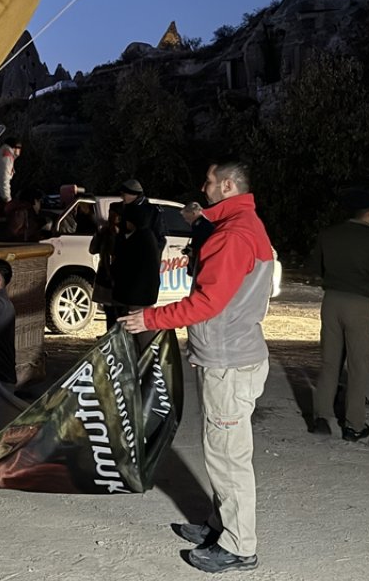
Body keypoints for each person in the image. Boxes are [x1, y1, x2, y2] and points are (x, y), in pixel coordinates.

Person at [120, 161, 274, 574]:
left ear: (226, 185)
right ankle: (221, 525)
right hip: (230, 355)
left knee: (228, 457)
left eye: (208, 182)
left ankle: (240, 545)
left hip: (229, 361)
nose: (202, 187)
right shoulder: (241, 223)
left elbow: (208, 303)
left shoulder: (234, 234)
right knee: (223, 452)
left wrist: (148, 319)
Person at [306, 188, 369, 440]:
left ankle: (321, 417)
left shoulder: (329, 235)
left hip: (331, 301)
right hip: (360, 304)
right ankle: (354, 425)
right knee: (358, 366)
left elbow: (314, 267)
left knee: (330, 362)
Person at [111, 202, 162, 352]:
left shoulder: (139, 239)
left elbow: (124, 264)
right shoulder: (146, 237)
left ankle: (146, 362)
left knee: (141, 331)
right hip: (142, 293)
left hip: (137, 294)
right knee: (139, 331)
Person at [118, 178, 168, 247]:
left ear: (133, 194)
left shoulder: (152, 211)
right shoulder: (124, 209)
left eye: (123, 194)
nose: (121, 197)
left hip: (145, 253)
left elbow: (159, 237)